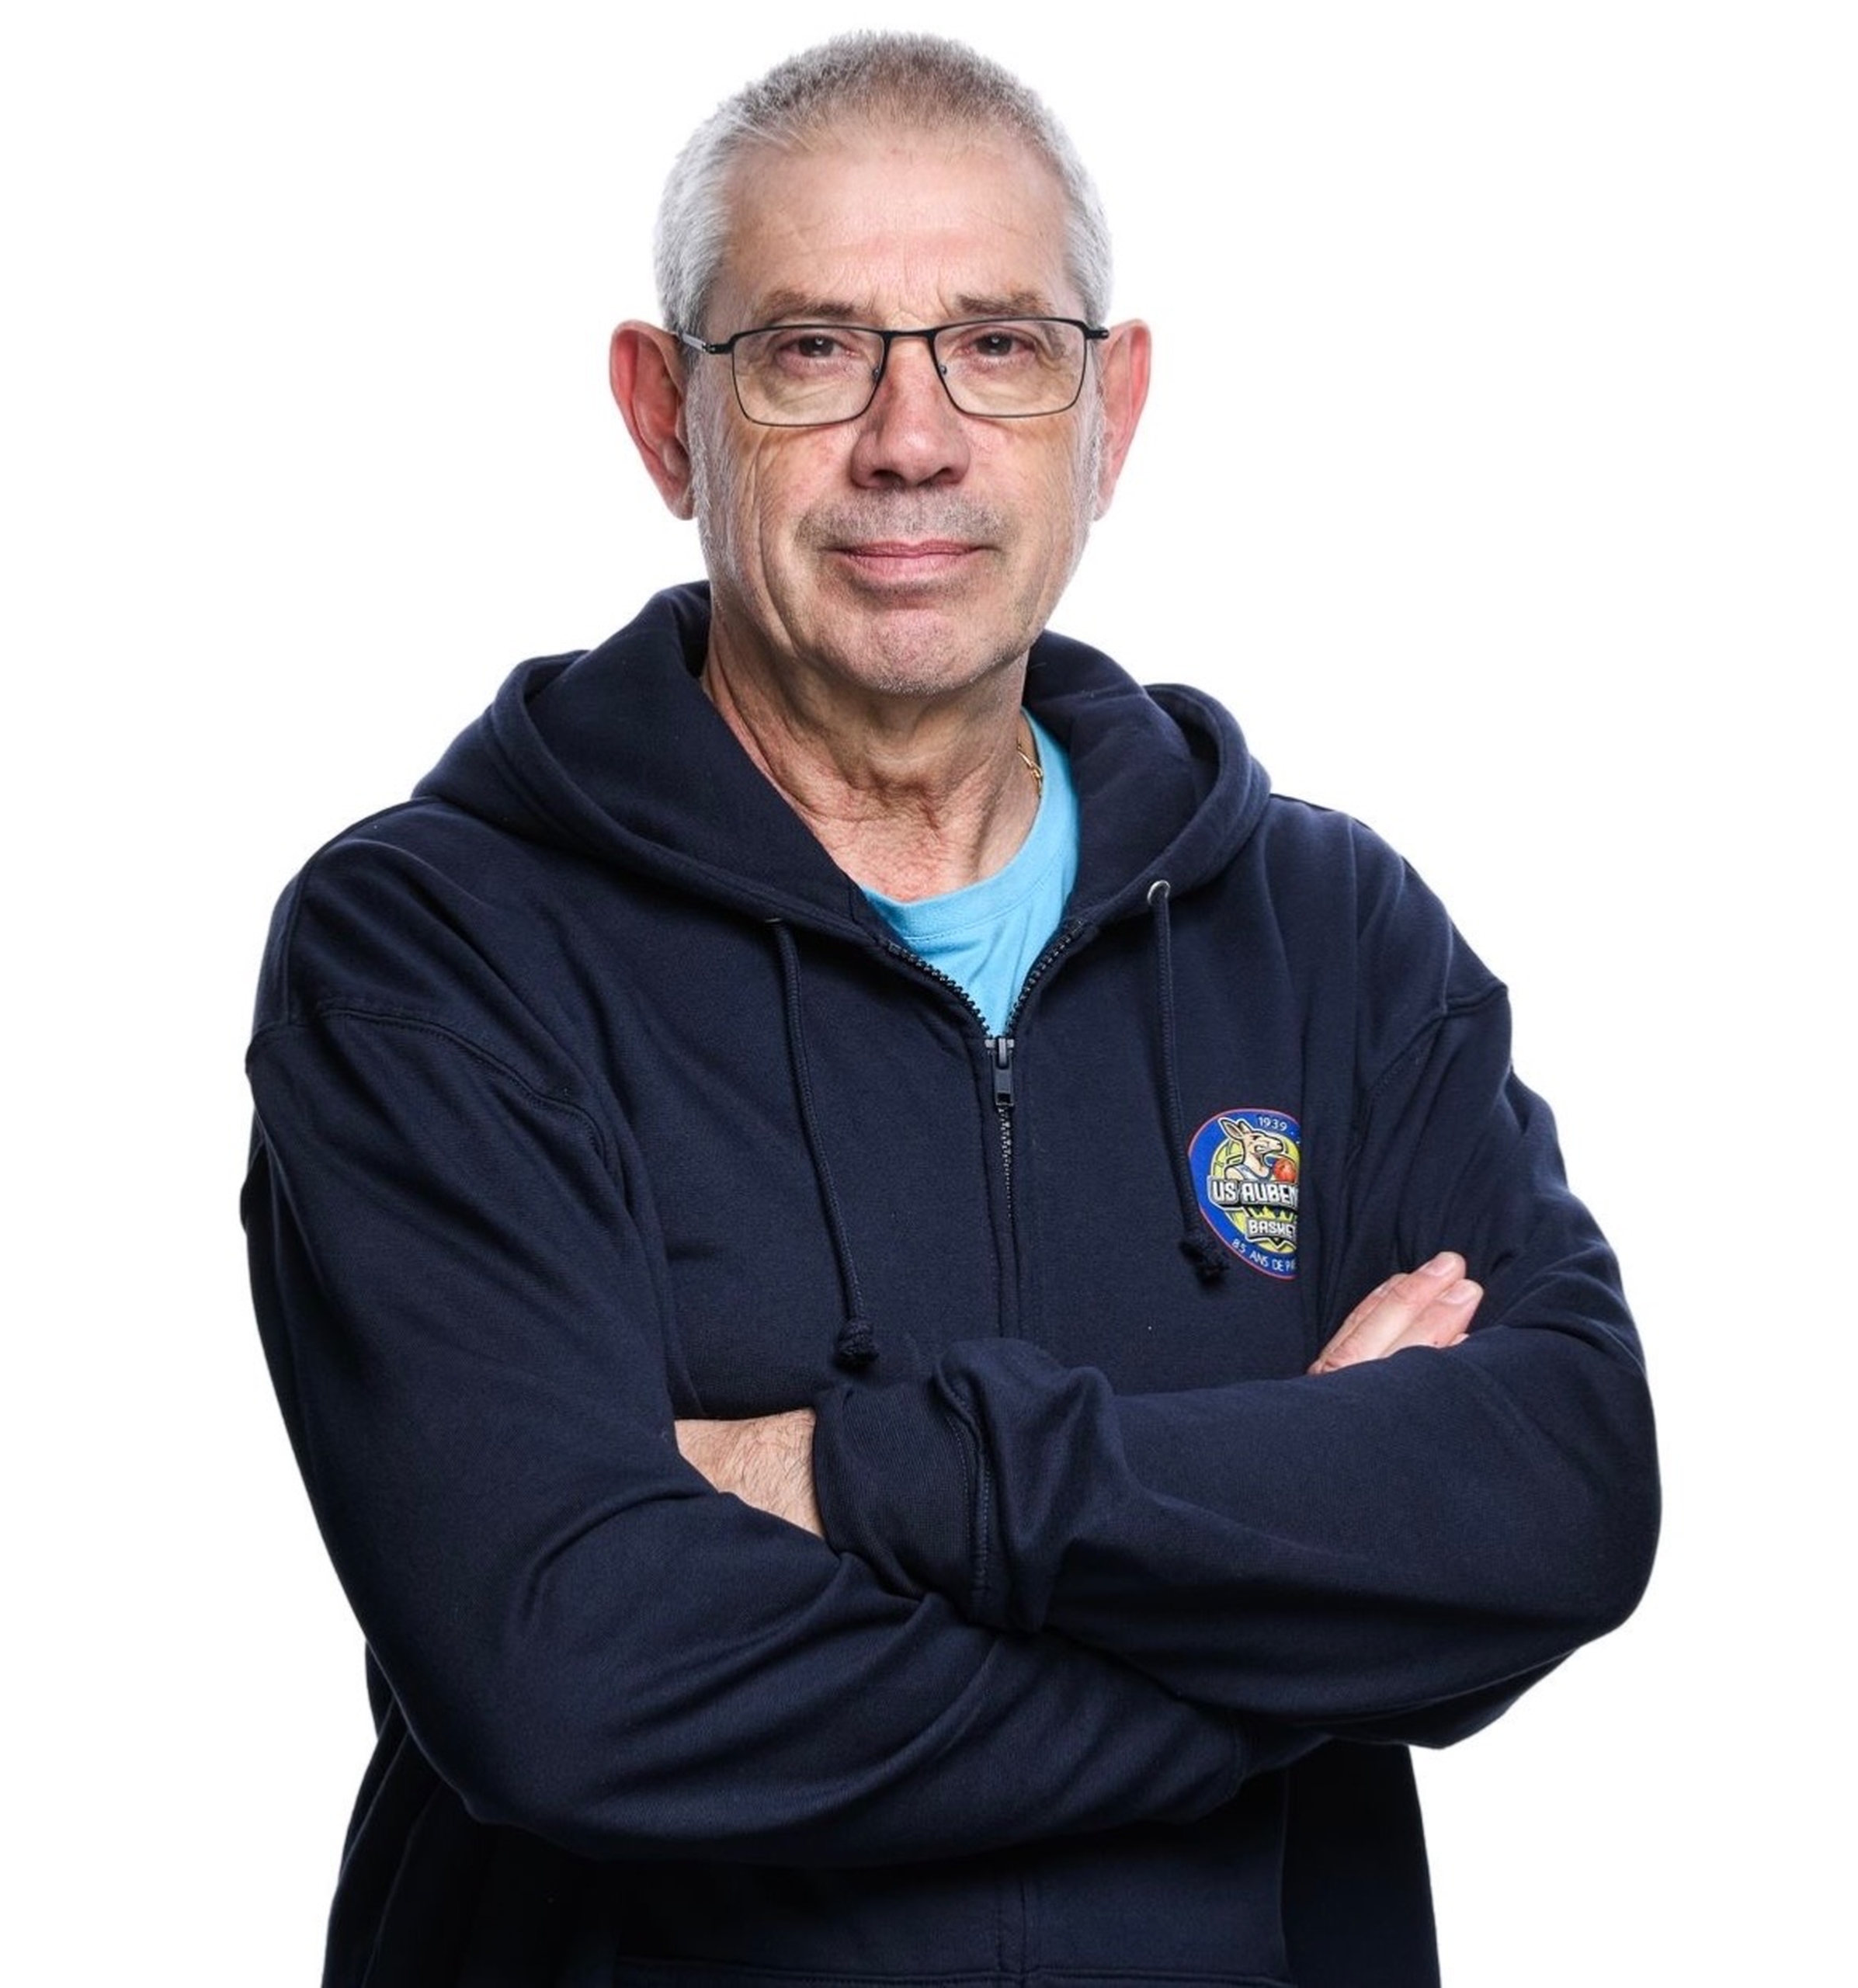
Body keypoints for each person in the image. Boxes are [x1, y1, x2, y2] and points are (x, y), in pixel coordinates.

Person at [244, 30, 1659, 1988]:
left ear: (1109, 408)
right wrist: (1278, 1632)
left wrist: (859, 1470)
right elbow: (563, 1681)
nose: (910, 438)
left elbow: (1562, 1497)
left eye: (998, 345)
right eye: (810, 349)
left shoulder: (1329, 935)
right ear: (665, 416)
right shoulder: (432, 954)